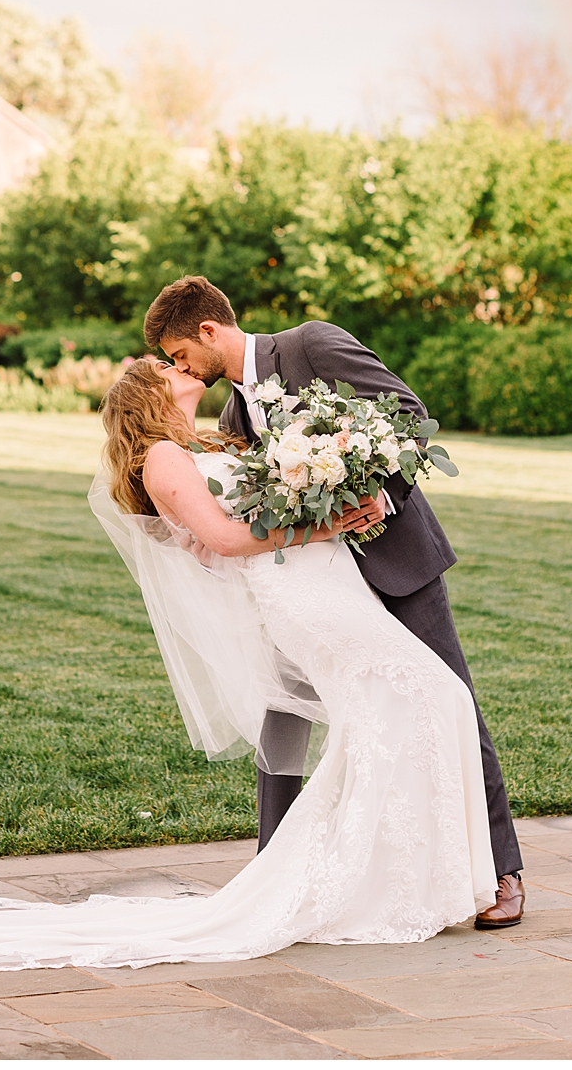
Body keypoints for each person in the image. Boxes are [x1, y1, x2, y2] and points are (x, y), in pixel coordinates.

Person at [0, 358, 498, 968]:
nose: (175, 364)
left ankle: (402, 877)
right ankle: (385, 883)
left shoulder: (212, 438)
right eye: (161, 364)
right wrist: (322, 524)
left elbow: (224, 526)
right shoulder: (165, 458)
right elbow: (224, 540)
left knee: (411, 708)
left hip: (326, 584)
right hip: (301, 597)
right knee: (434, 695)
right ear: (148, 393)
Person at [144, 277, 526, 929]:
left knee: (446, 695)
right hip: (306, 585)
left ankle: (500, 871)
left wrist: (382, 494)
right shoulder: (235, 417)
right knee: (281, 714)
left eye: (180, 354)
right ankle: (278, 865)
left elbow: (405, 415)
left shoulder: (312, 345)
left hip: (394, 558)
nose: (181, 369)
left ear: (208, 331)